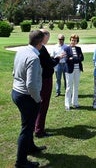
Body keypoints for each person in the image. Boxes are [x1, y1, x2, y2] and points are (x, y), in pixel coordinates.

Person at [11, 30, 47, 168]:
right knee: (26, 129)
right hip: (27, 96)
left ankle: (30, 147)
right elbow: (31, 84)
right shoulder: (34, 58)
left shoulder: (21, 51)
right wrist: (38, 99)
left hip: (17, 92)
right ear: (39, 42)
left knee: (28, 124)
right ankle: (21, 162)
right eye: (43, 41)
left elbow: (14, 71)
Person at [35, 29, 62, 138]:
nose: (48, 39)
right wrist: (58, 58)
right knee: (43, 104)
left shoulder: (37, 47)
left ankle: (36, 126)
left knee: (38, 104)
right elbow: (50, 63)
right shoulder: (42, 48)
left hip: (38, 79)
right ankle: (39, 130)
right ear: (44, 36)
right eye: (48, 37)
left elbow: (46, 60)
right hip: (45, 79)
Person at [64, 34, 84, 110]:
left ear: (77, 41)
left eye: (75, 40)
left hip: (77, 70)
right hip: (69, 70)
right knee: (69, 87)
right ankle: (67, 104)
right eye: (72, 40)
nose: (73, 41)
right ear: (70, 40)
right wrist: (75, 59)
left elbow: (81, 58)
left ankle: (75, 103)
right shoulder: (66, 49)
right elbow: (66, 60)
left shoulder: (79, 48)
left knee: (76, 86)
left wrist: (73, 58)